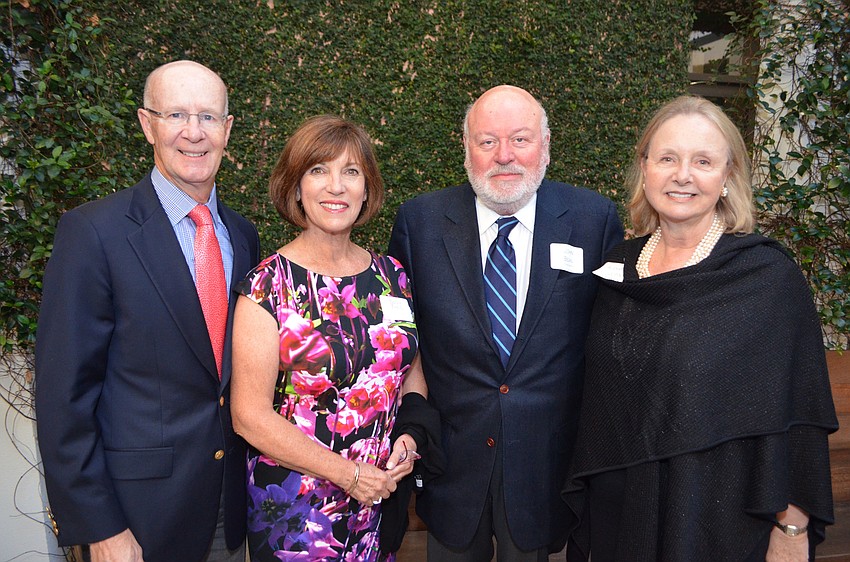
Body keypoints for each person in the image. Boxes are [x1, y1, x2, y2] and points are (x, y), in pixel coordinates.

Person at [563, 95, 839, 561]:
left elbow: (796, 416)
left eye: (703, 161)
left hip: (716, 523)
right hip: (619, 521)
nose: (683, 175)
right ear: (645, 168)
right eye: (667, 158)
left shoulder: (765, 278)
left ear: (728, 177)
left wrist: (791, 530)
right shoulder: (617, 269)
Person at [34, 60, 260, 562]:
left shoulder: (242, 237)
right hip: (135, 519)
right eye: (176, 114)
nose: (193, 133)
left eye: (207, 117)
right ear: (146, 124)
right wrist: (101, 528)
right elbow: (62, 399)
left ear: (227, 130)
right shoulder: (93, 233)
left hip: (229, 509)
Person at [388, 85, 624, 560]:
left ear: (546, 145)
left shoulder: (593, 219)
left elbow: (612, 340)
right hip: (451, 468)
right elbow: (401, 341)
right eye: (487, 141)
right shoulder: (420, 222)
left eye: (520, 139)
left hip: (546, 470)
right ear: (466, 148)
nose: (504, 157)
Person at [231, 115, 424, 561]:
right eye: (318, 170)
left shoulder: (391, 275)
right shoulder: (266, 286)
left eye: (350, 172)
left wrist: (410, 438)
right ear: (296, 188)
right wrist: (348, 473)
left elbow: (409, 370)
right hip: (297, 516)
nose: (336, 186)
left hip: (376, 506)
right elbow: (249, 416)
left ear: (367, 189)